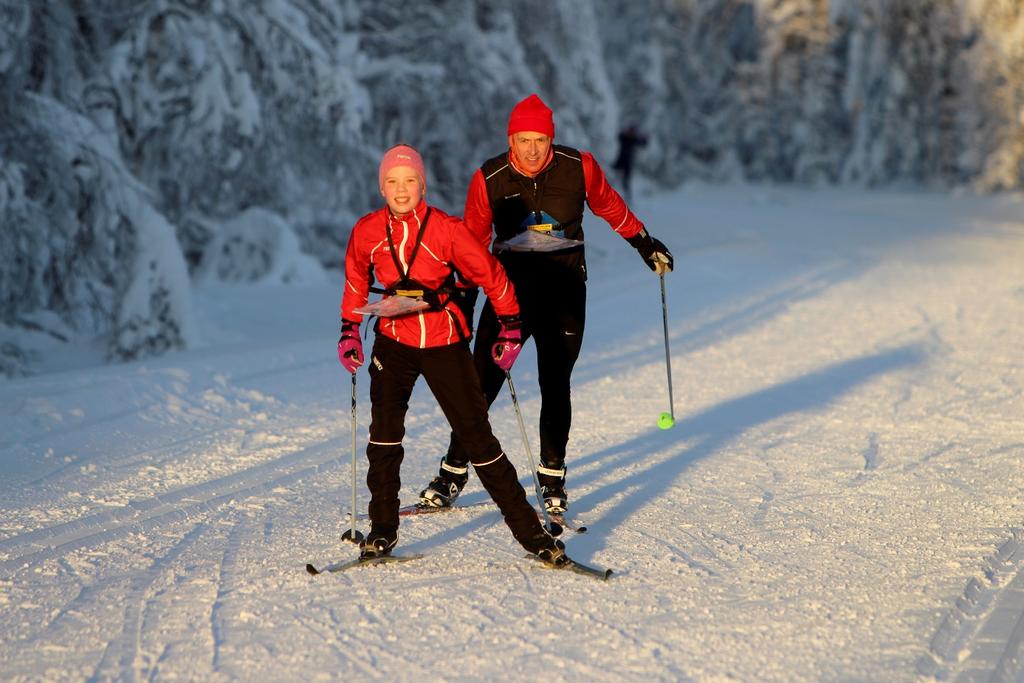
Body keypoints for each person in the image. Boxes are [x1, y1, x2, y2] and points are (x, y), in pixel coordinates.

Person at [418, 94, 673, 515]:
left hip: (564, 291)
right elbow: (472, 242)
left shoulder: (579, 167)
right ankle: (453, 472)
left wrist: (645, 244)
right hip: (508, 295)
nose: (533, 149)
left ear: (550, 139)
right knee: (480, 386)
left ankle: (552, 478)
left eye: (540, 139)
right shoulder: (490, 177)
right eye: (524, 140)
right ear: (511, 139)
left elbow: (609, 205)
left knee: (555, 384)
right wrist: (461, 297)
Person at [338, 143, 565, 564]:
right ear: (382, 187)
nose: (401, 190)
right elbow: (355, 278)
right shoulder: (367, 231)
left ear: (422, 184)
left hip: (444, 341)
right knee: (383, 439)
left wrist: (511, 327)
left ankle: (535, 538)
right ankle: (381, 532)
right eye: (392, 182)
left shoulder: (447, 230)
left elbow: (491, 275)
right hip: (393, 341)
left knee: (478, 440)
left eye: (409, 181)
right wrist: (349, 330)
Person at [612, 124, 647, 201]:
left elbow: (643, 144)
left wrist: (644, 137)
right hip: (620, 161)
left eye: (632, 132)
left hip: (628, 163)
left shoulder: (634, 140)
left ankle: (627, 198)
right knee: (613, 178)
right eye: (630, 131)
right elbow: (619, 136)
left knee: (625, 181)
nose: (631, 133)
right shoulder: (624, 138)